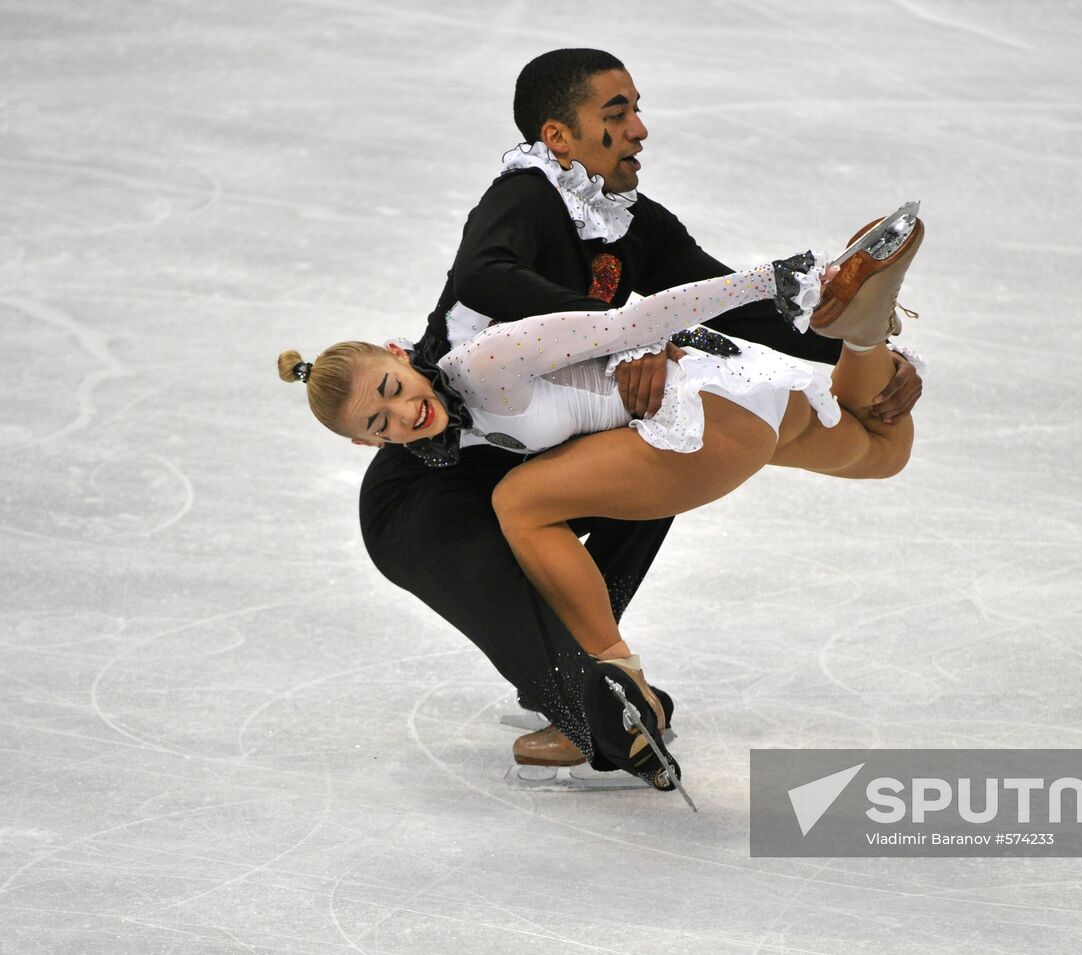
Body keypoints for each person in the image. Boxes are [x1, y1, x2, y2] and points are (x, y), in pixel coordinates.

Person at [352, 48, 925, 784]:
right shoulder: (526, 197)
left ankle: (603, 691)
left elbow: (736, 304)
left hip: (552, 429)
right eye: (616, 115)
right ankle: (588, 698)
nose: (640, 129)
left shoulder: (635, 225)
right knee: (492, 537)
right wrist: (623, 336)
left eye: (636, 109)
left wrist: (856, 340)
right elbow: (484, 275)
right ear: (558, 137)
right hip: (443, 458)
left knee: (628, 458)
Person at [281, 243, 917, 786]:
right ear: (365, 445)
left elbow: (634, 321)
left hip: (705, 411)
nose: (403, 415)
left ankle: (618, 694)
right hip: (746, 401)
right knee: (883, 450)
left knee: (519, 503)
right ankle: (865, 333)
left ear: (400, 352)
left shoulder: (486, 360)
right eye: (379, 423)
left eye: (394, 389)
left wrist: (768, 280)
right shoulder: (448, 427)